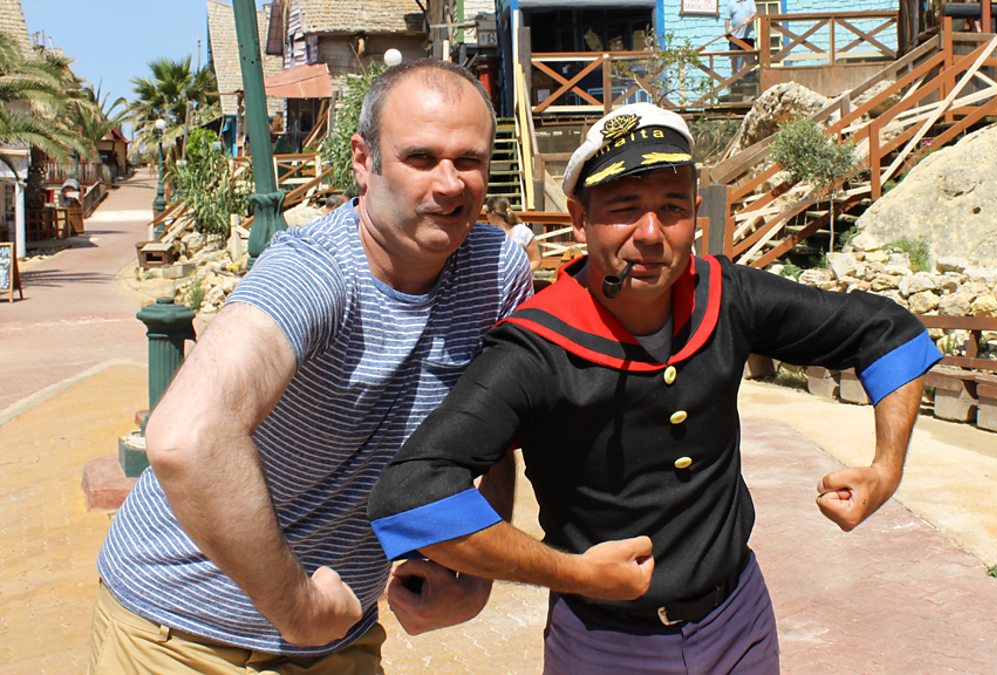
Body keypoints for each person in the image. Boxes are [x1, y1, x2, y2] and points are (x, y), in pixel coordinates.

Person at [367, 101, 942, 672]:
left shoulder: (725, 296)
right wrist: (571, 572)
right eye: (624, 209)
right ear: (579, 218)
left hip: (739, 623)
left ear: (694, 213)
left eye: (671, 208)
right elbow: (410, 493)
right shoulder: (536, 348)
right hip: (603, 646)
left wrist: (886, 469)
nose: (650, 234)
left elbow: (888, 332)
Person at [88, 59, 535, 673]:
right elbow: (186, 437)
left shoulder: (495, 272)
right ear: (364, 161)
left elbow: (494, 438)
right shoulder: (316, 272)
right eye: (421, 158)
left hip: (338, 637)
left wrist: (474, 576)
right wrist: (296, 608)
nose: (450, 183)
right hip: (180, 635)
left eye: (469, 160)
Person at [486, 195, 541, 272]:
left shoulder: (523, 232)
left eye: (486, 212)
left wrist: (520, 273)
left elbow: (535, 261)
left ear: (493, 213)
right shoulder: (488, 235)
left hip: (521, 278)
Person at [726, 0, 758, 73]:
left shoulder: (750, 1)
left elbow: (754, 13)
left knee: (746, 56)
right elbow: (727, 19)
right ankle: (735, 75)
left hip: (748, 35)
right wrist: (727, 32)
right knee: (733, 56)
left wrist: (748, 20)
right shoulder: (731, 3)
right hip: (735, 36)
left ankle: (742, 75)